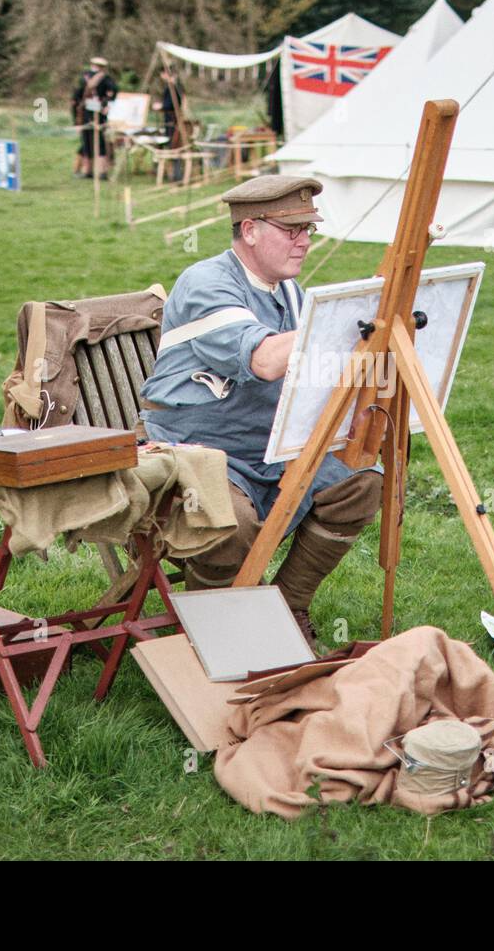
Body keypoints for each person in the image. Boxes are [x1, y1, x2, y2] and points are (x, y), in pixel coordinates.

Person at [139, 176, 382, 645]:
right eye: (291, 230)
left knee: (361, 480)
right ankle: (214, 627)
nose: (304, 241)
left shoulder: (285, 289)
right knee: (230, 519)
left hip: (268, 446)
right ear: (249, 230)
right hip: (197, 449)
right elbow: (265, 358)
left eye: (308, 230)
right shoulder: (205, 282)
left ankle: (287, 607)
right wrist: (354, 319)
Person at [71, 55, 116, 178]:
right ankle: (90, 171)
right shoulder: (87, 78)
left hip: (96, 115)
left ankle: (98, 171)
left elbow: (111, 95)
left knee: (98, 143)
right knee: (88, 143)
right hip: (89, 114)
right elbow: (77, 96)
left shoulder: (104, 80)